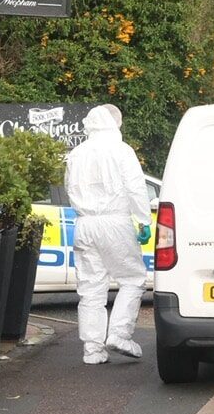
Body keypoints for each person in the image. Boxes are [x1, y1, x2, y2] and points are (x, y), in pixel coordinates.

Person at [64, 103, 153, 364]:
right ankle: (119, 333)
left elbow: (70, 188)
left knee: (90, 288)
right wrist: (143, 220)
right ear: (115, 124)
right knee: (133, 278)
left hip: (85, 223)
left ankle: (92, 350)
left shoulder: (77, 153)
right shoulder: (121, 151)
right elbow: (135, 187)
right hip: (115, 222)